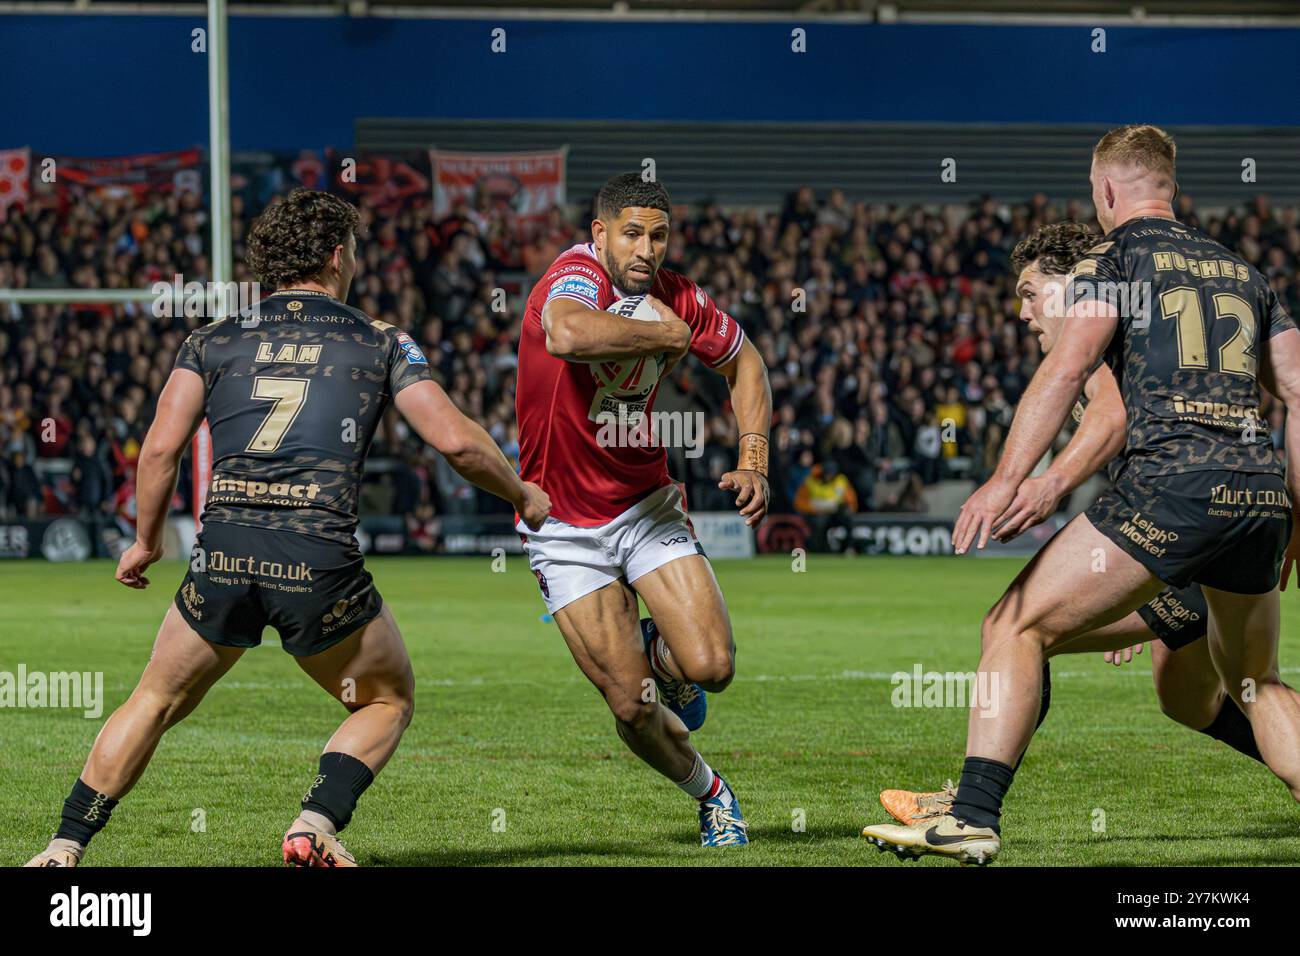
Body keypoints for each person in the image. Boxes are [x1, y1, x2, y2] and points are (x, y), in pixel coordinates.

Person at [25, 189, 549, 868]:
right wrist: (521, 493)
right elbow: (454, 442)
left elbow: (158, 450)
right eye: (354, 249)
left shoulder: (211, 339)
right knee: (387, 700)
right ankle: (315, 823)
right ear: (337, 256)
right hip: (316, 561)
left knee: (153, 698)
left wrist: (146, 543)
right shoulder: (380, 340)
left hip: (224, 556)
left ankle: (64, 846)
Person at [864, 125, 1300, 864]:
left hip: (1173, 487)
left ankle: (971, 811)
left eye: (1030, 295)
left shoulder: (1115, 258)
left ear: (1105, 190)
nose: (1026, 310)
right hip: (1257, 492)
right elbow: (1294, 390)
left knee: (1015, 625)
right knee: (1251, 684)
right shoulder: (1243, 271)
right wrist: (1294, 521)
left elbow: (1076, 379)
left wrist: (1013, 481)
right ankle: (970, 793)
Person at [515, 173, 772, 847]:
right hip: (564, 526)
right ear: (599, 234)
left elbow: (746, 362)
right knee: (632, 707)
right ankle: (712, 793)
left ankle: (660, 652)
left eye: (659, 235)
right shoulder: (574, 276)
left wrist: (754, 458)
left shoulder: (677, 296)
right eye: (631, 233)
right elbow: (566, 335)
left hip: (644, 506)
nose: (646, 249)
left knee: (712, 666)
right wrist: (667, 339)